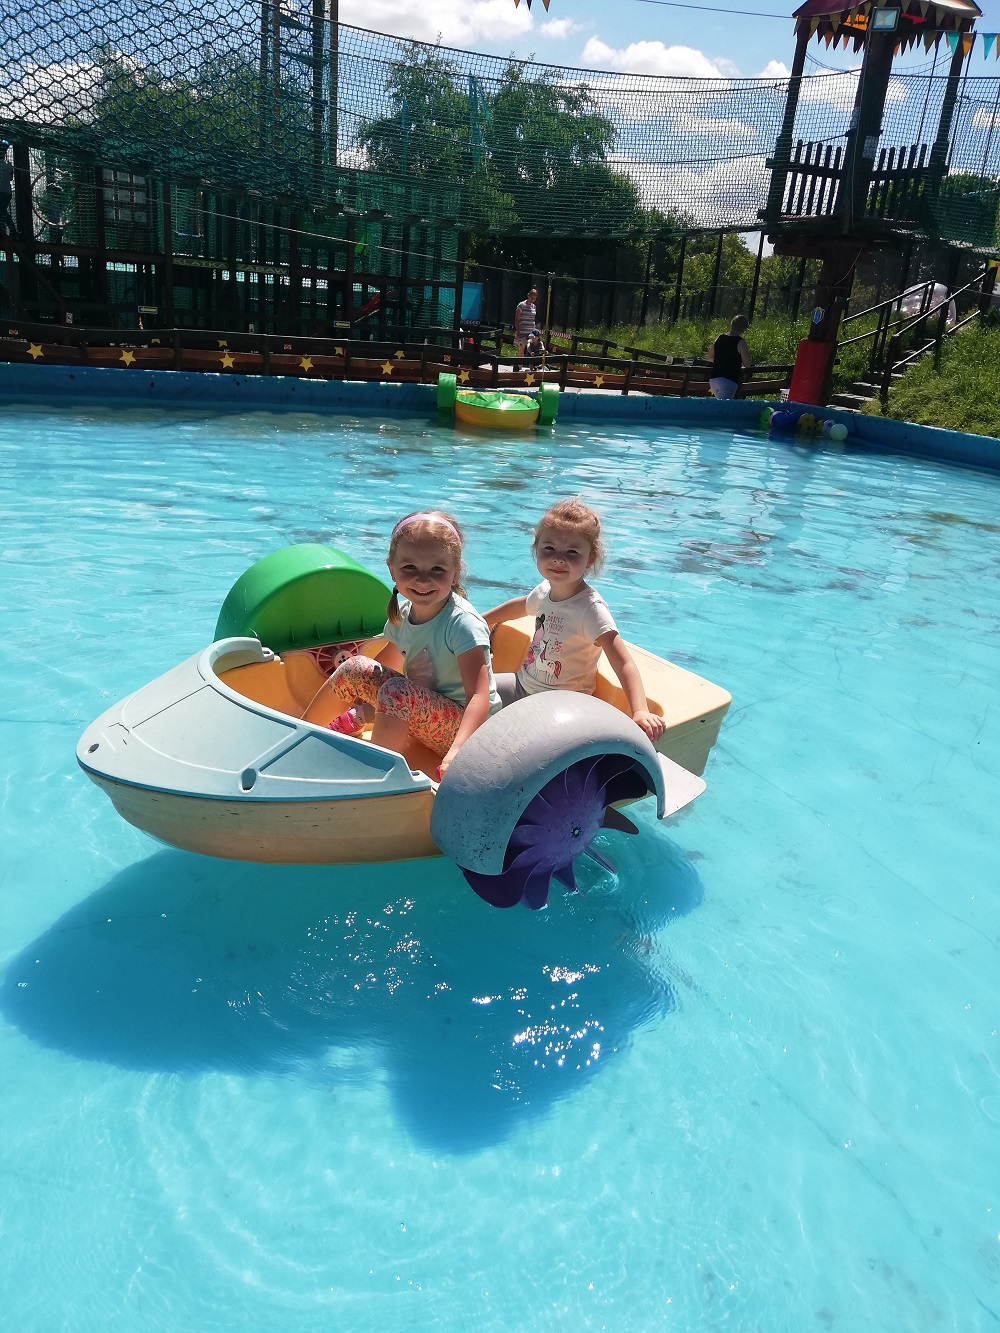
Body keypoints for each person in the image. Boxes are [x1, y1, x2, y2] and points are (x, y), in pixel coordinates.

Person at [323, 510, 500, 779]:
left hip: (469, 733)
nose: (423, 579)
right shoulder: (404, 614)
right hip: (427, 714)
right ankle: (300, 734)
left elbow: (479, 696)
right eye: (409, 568)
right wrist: (362, 702)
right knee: (355, 667)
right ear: (391, 569)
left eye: (437, 569)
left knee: (397, 690)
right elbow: (383, 665)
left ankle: (375, 777)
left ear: (455, 572)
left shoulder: (462, 623)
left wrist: (457, 752)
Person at [484, 499, 666, 743]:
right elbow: (521, 605)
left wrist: (640, 710)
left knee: (521, 741)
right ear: (536, 548)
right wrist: (483, 620)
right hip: (522, 686)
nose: (558, 559)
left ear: (590, 559)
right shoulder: (545, 590)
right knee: (471, 691)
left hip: (562, 705)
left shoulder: (590, 609)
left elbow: (623, 662)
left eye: (572, 552)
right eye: (549, 548)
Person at [708, 314, 751, 400]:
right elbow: (748, 364)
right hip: (728, 380)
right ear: (744, 328)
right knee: (724, 406)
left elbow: (710, 358)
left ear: (732, 324)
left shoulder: (719, 338)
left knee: (720, 403)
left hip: (714, 379)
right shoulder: (740, 342)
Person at [514, 286, 538, 356]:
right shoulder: (521, 305)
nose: (532, 300)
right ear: (528, 295)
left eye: (534, 298)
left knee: (530, 352)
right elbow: (517, 319)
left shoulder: (534, 307)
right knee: (521, 352)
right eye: (531, 297)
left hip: (531, 334)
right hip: (522, 333)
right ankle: (519, 363)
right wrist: (518, 331)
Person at [0, 143, 14, 235]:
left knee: (2, 211)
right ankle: (10, 230)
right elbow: (10, 178)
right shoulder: (9, 164)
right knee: (2, 211)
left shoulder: (8, 164)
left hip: (2, 191)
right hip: (7, 192)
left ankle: (10, 230)